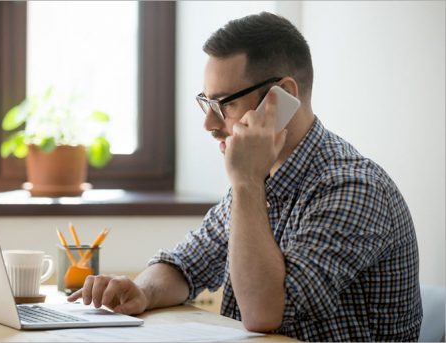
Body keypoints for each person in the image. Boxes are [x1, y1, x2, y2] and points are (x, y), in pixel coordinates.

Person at [68, 12, 422, 341]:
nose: (209, 124)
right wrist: (142, 291)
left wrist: (246, 183)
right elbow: (185, 265)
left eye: (224, 104)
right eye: (206, 103)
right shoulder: (261, 178)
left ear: (282, 97)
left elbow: (265, 313)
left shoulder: (352, 188)